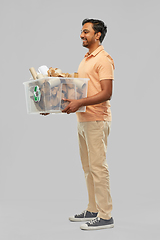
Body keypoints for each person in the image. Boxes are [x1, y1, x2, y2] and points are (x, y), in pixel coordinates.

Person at [62, 18, 115, 230]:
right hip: (83, 120)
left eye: (86, 32)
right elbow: (78, 90)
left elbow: (107, 93)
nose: (82, 35)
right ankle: (93, 209)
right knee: (88, 168)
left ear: (97, 35)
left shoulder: (104, 59)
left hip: (96, 120)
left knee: (98, 168)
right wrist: (54, 105)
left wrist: (79, 103)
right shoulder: (86, 60)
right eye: (82, 32)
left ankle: (105, 216)